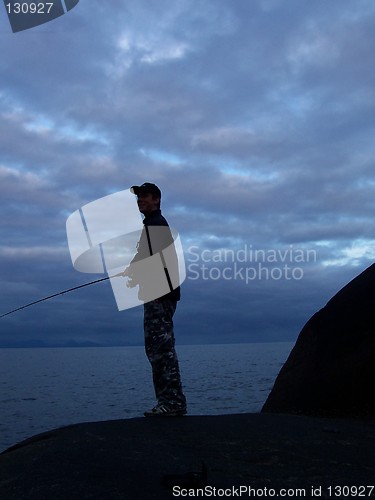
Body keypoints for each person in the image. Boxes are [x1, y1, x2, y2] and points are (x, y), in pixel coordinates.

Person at [122, 183, 187, 417]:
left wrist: (160, 290)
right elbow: (146, 258)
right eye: (138, 197)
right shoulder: (151, 225)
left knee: (161, 349)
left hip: (159, 296)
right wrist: (133, 273)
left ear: (157, 200)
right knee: (157, 348)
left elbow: (164, 262)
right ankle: (169, 402)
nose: (140, 200)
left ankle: (173, 403)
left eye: (144, 196)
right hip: (156, 294)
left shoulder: (156, 224)